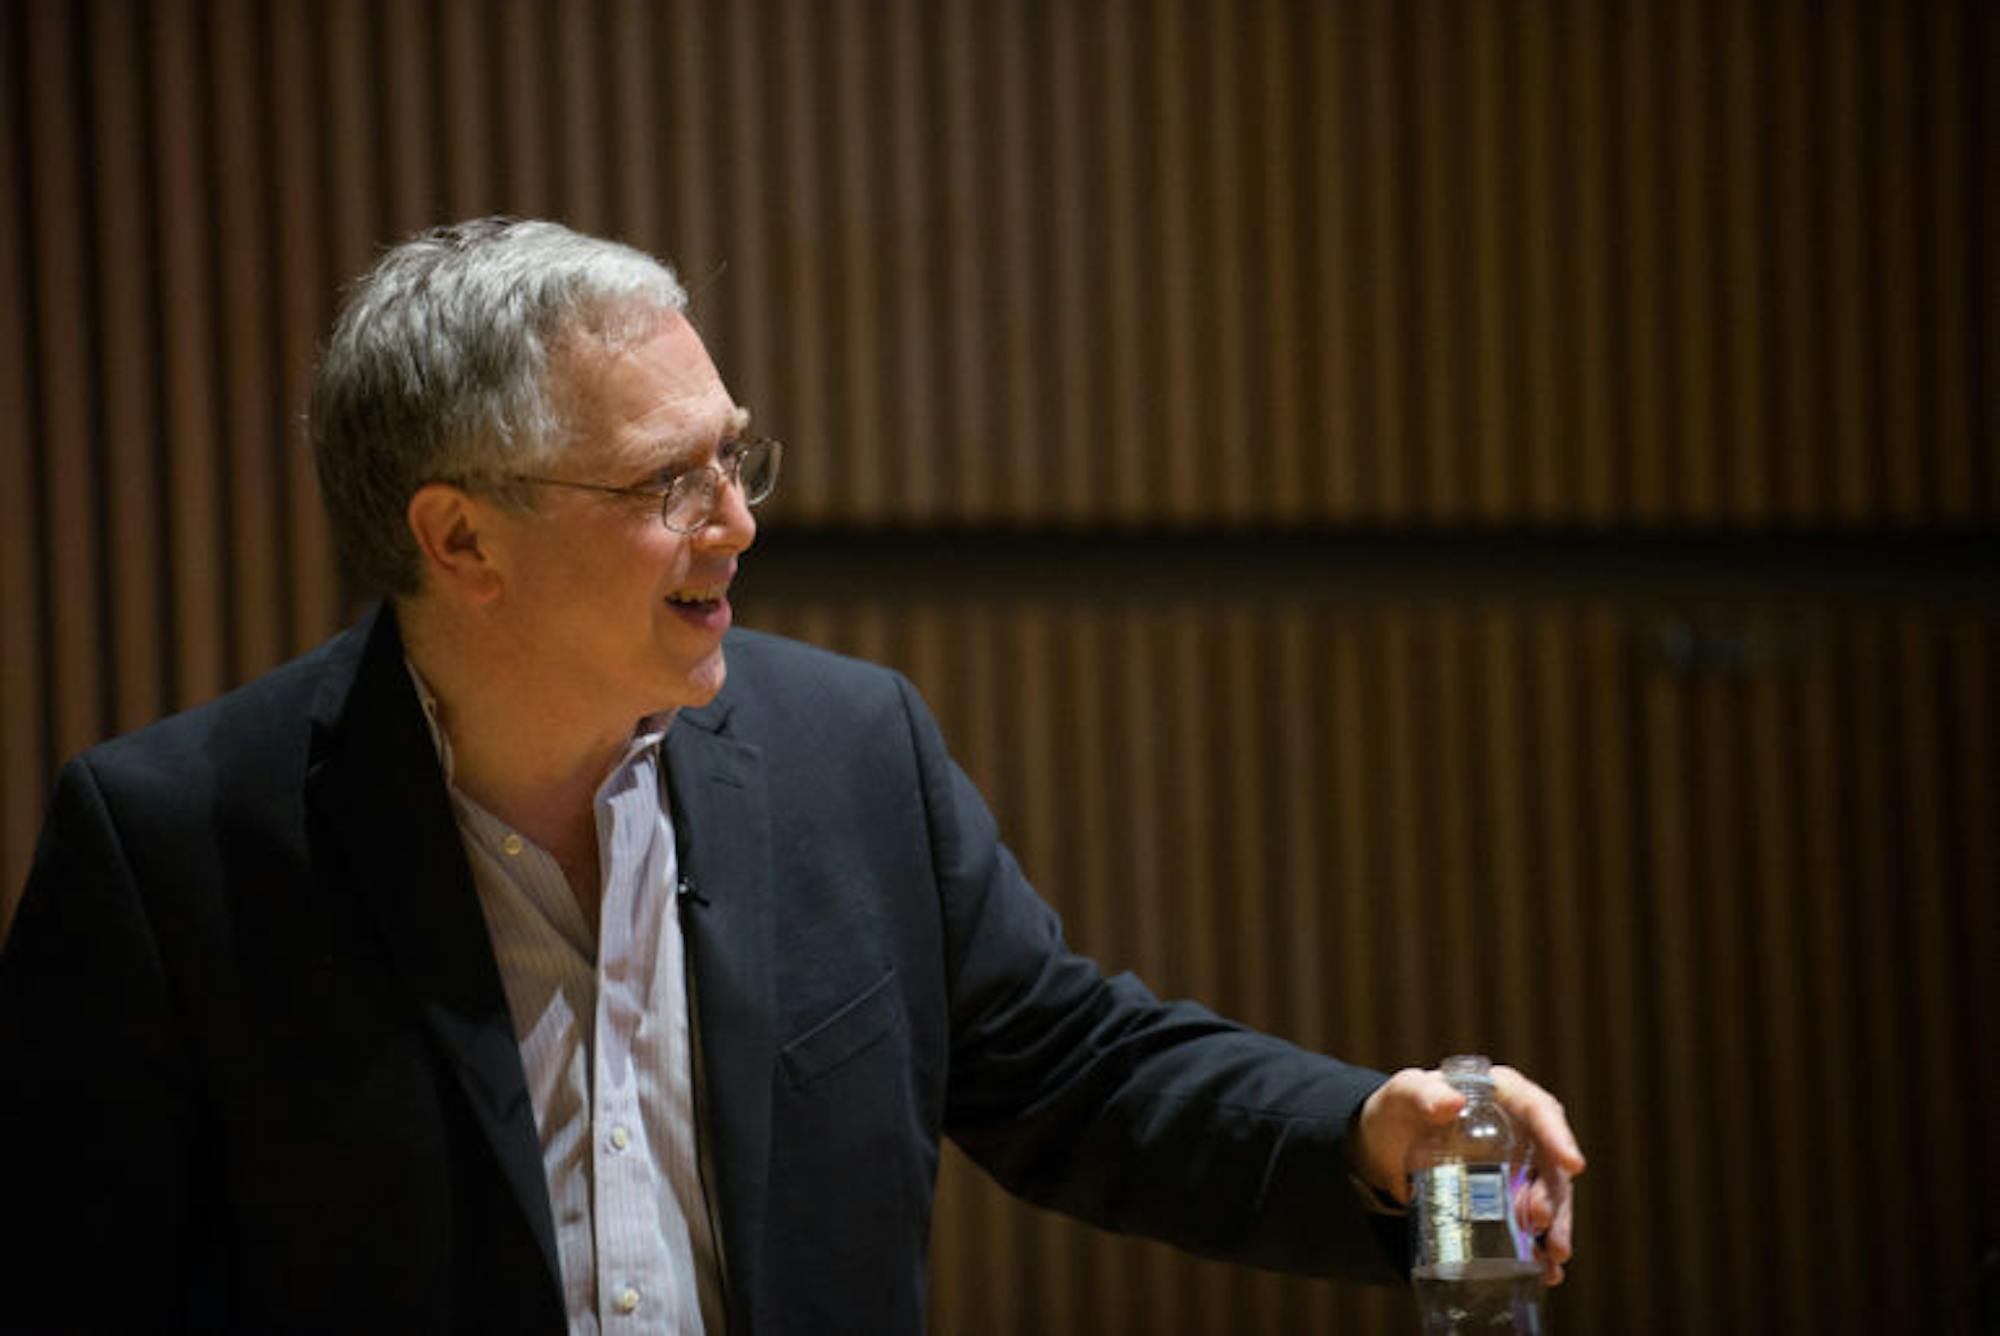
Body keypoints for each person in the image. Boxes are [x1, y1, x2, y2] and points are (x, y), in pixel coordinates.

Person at [0, 218, 1583, 1333]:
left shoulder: (848, 754)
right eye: (663, 481)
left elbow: (1076, 1069)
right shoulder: (175, 851)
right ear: (459, 538)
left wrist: (1362, 1131)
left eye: (733, 457)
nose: (735, 520)